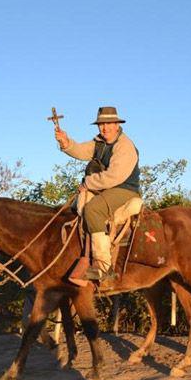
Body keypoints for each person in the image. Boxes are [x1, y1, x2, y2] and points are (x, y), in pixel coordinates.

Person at [54, 106, 141, 284]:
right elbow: (80, 150)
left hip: (125, 189)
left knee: (93, 210)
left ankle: (103, 266)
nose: (105, 128)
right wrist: (65, 142)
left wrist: (87, 183)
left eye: (109, 123)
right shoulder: (99, 142)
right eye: (101, 124)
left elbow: (114, 176)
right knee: (76, 207)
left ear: (117, 124)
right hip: (106, 188)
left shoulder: (125, 146)